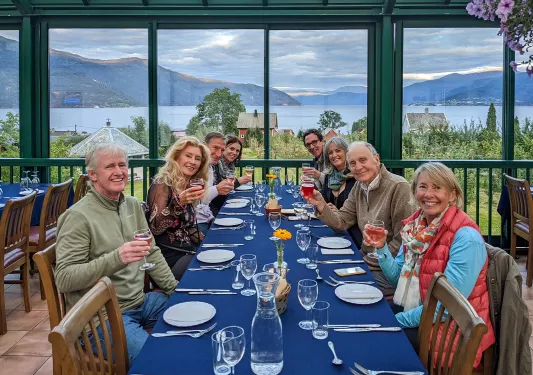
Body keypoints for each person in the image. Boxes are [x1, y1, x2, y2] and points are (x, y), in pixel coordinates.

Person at [363, 162, 495, 367]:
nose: (428, 194)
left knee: (372, 344)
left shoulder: (466, 237)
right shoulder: (417, 227)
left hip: (452, 332)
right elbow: (398, 279)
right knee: (363, 318)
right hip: (421, 311)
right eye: (422, 187)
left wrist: (396, 321)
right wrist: (381, 248)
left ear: (452, 195)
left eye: (437, 187)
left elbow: (447, 306)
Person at [55, 144, 177, 365]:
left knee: (193, 316)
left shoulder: (130, 204)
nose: (119, 171)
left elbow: (153, 252)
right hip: (100, 319)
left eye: (122, 164)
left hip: (141, 302)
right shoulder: (77, 217)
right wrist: (117, 258)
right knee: (158, 362)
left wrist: (175, 290)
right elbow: (64, 279)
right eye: (109, 166)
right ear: (93, 174)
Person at [305, 141, 416, 295]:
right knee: (319, 271)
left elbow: (403, 240)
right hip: (364, 260)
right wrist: (321, 205)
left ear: (376, 159)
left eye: (363, 160)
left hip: (387, 271)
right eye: (352, 163)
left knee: (331, 287)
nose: (358, 167)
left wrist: (365, 263)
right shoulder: (360, 186)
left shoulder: (398, 187)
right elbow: (342, 221)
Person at [145, 136, 209, 280]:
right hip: (168, 257)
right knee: (209, 270)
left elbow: (189, 227)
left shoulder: (188, 185)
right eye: (188, 156)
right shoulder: (162, 184)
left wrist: (210, 242)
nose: (193, 162)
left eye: (197, 158)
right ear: (177, 157)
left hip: (186, 250)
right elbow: (156, 227)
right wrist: (178, 202)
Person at [196, 132, 234, 233]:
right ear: (204, 145)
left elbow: (204, 203)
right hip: (196, 222)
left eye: (222, 150)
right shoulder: (195, 166)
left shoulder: (209, 166)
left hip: (208, 216)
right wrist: (217, 189)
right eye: (215, 148)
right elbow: (197, 201)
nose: (219, 154)